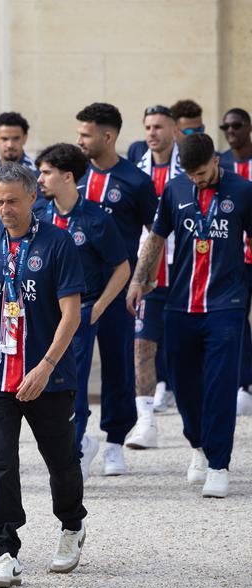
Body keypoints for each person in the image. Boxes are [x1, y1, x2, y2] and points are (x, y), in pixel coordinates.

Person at [0, 162, 88, 588]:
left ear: (34, 196)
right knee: (0, 464)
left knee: (60, 459)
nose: (5, 209)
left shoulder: (57, 243)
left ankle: (72, 525)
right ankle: (6, 550)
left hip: (48, 376)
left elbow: (71, 314)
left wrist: (46, 365)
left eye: (13, 201)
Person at [128, 133, 252, 499]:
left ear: (215, 160)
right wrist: (138, 280)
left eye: (201, 173)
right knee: (183, 385)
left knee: (219, 384)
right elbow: (156, 236)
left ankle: (218, 464)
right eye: (191, 174)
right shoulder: (175, 189)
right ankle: (198, 446)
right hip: (180, 303)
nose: (197, 180)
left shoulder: (243, 191)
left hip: (226, 305)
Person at [35, 144, 130, 481]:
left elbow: (122, 267)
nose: (40, 178)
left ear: (67, 176)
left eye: (46, 172)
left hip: (81, 312)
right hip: (42, 314)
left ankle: (71, 458)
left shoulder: (96, 218)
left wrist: (99, 309)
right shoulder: (38, 214)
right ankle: (75, 448)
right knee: (46, 387)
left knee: (69, 385)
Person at [75, 102, 159, 477]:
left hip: (118, 291)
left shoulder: (136, 181)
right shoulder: (71, 175)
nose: (79, 140)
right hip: (74, 292)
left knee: (117, 367)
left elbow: (156, 235)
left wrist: (141, 280)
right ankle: (77, 441)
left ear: (107, 137)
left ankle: (113, 443)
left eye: (86, 134)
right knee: (70, 369)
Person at [125, 105, 181, 449]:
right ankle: (145, 422)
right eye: (147, 126)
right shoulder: (136, 170)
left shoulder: (187, 168)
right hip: (147, 273)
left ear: (174, 129)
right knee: (142, 347)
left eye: (158, 126)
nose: (152, 132)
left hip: (184, 269)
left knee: (181, 349)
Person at [215, 107, 252, 416]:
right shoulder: (222, 163)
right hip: (233, 257)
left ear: (249, 127)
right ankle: (244, 383)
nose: (230, 130)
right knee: (237, 320)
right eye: (224, 126)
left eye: (236, 125)